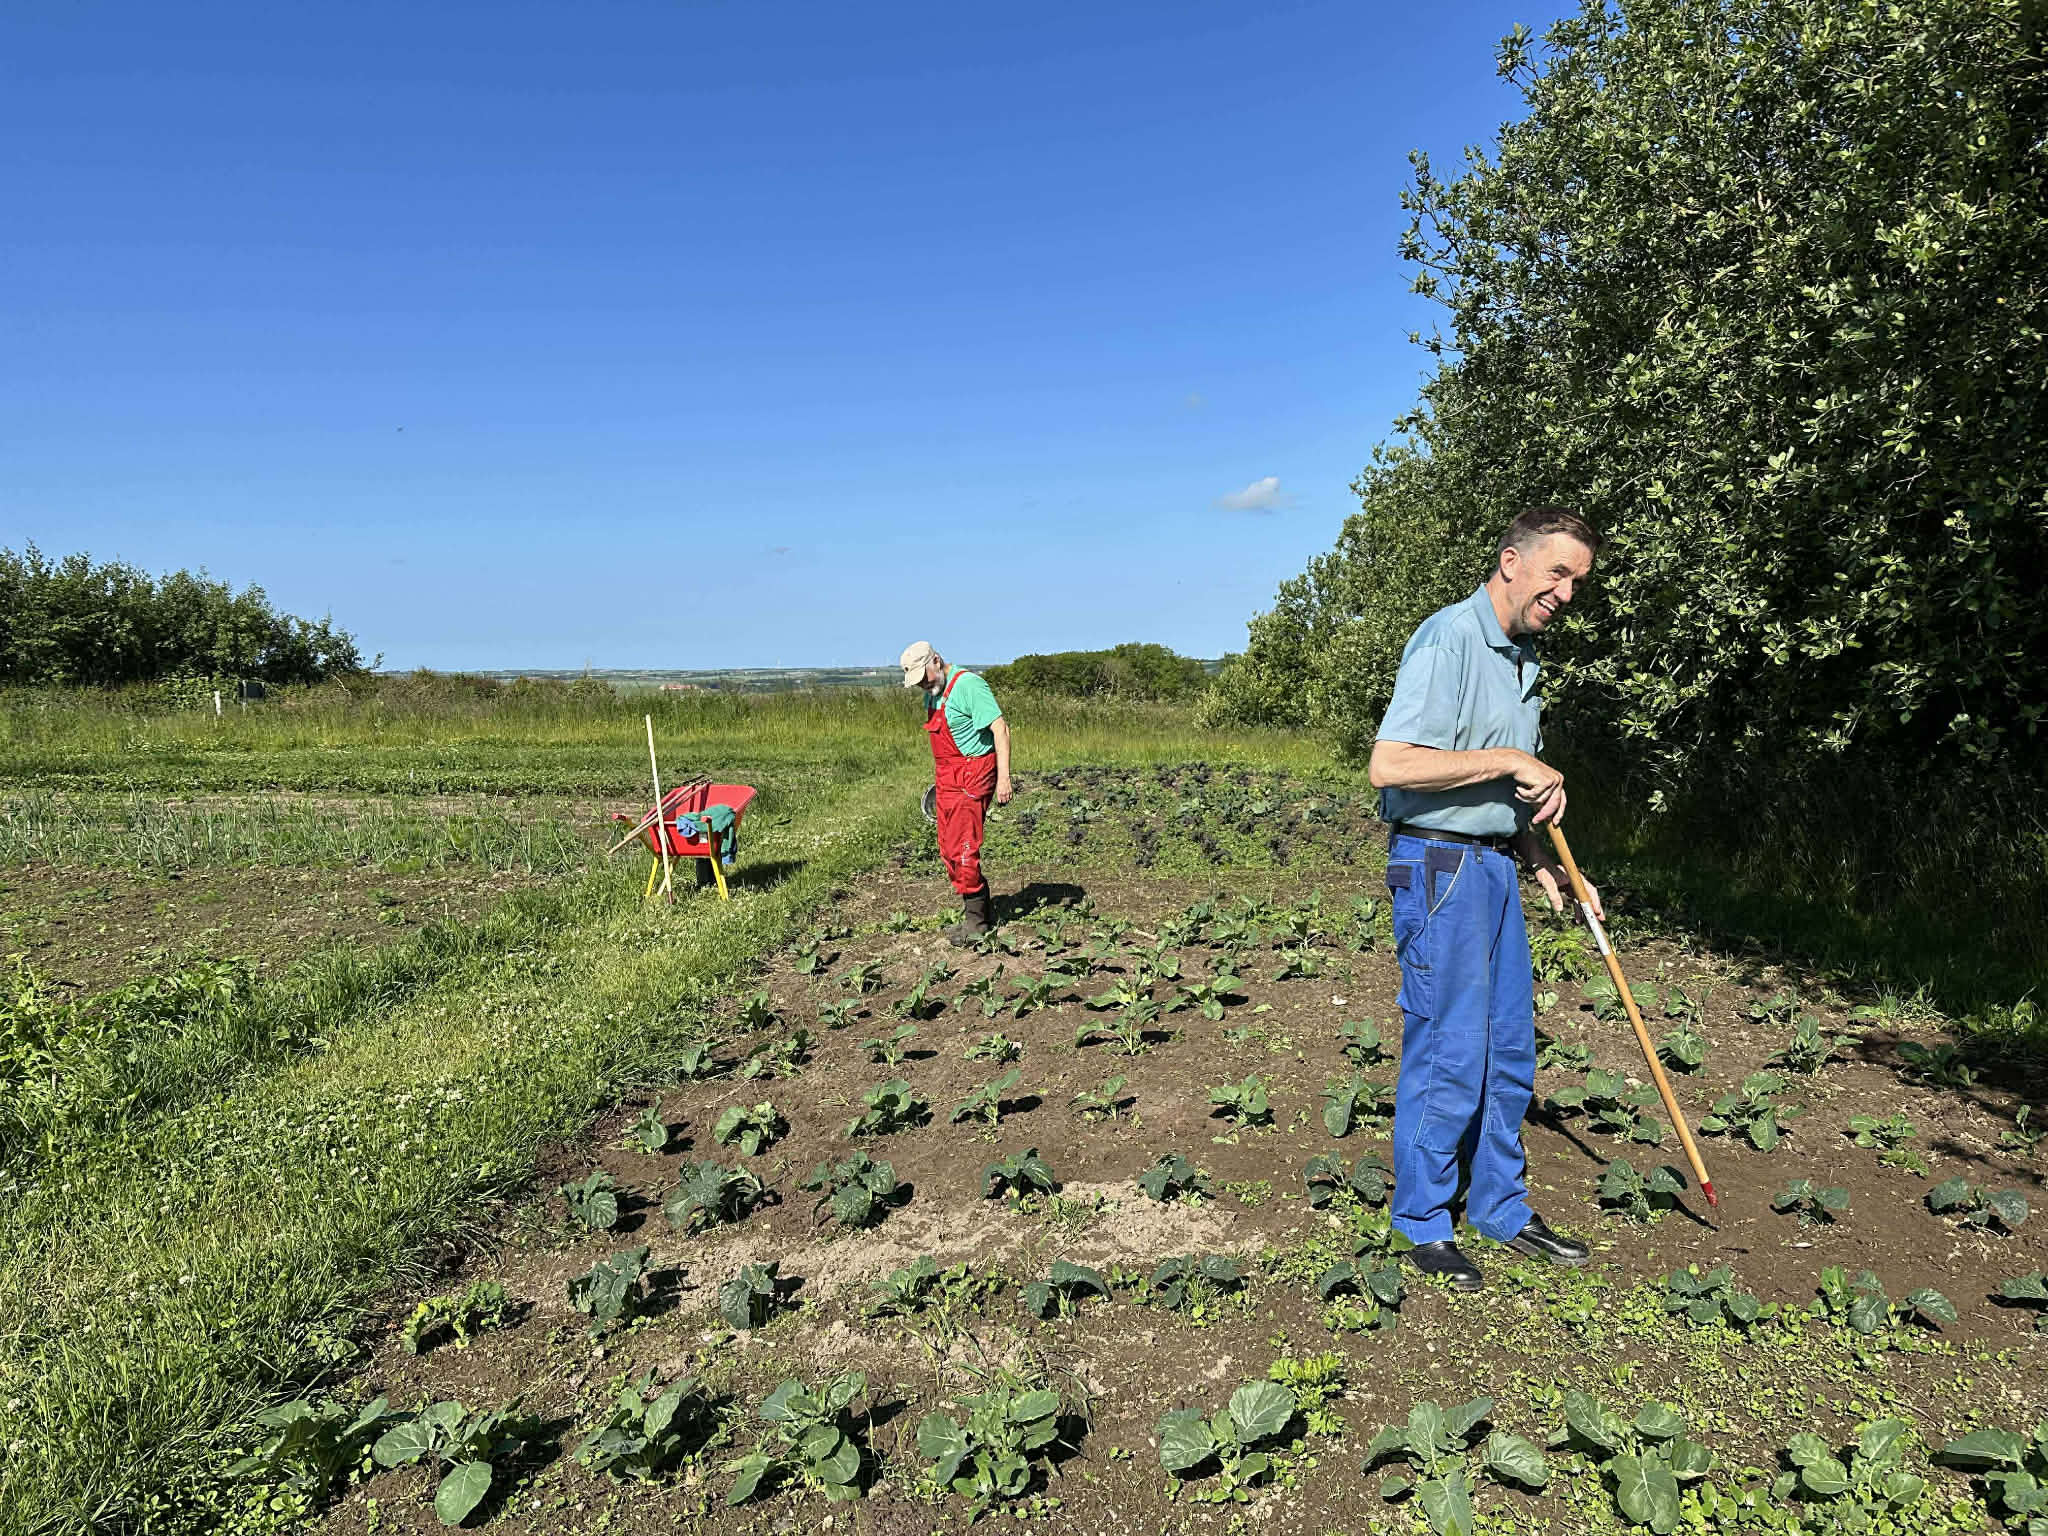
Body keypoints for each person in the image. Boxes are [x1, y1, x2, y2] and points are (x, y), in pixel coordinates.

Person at [1367, 506, 1607, 1291]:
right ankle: (1424, 1220)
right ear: (1511, 561)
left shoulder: (1522, 658)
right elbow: (1392, 765)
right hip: (1437, 867)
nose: (1567, 594)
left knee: (1508, 1045)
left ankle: (1500, 1206)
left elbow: (1504, 790)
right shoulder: (1449, 640)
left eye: (1578, 581)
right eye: (1557, 574)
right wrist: (1510, 756)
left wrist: (1545, 862)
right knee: (1448, 1046)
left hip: (1496, 865)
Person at [900, 640, 1013, 944]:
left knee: (964, 849)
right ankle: (974, 911)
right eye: (918, 682)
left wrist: (1004, 779)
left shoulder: (969, 686)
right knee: (948, 850)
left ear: (936, 660)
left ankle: (977, 923)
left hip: (972, 776)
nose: (924, 685)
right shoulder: (933, 696)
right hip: (949, 780)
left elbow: (1000, 729)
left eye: (925, 677)